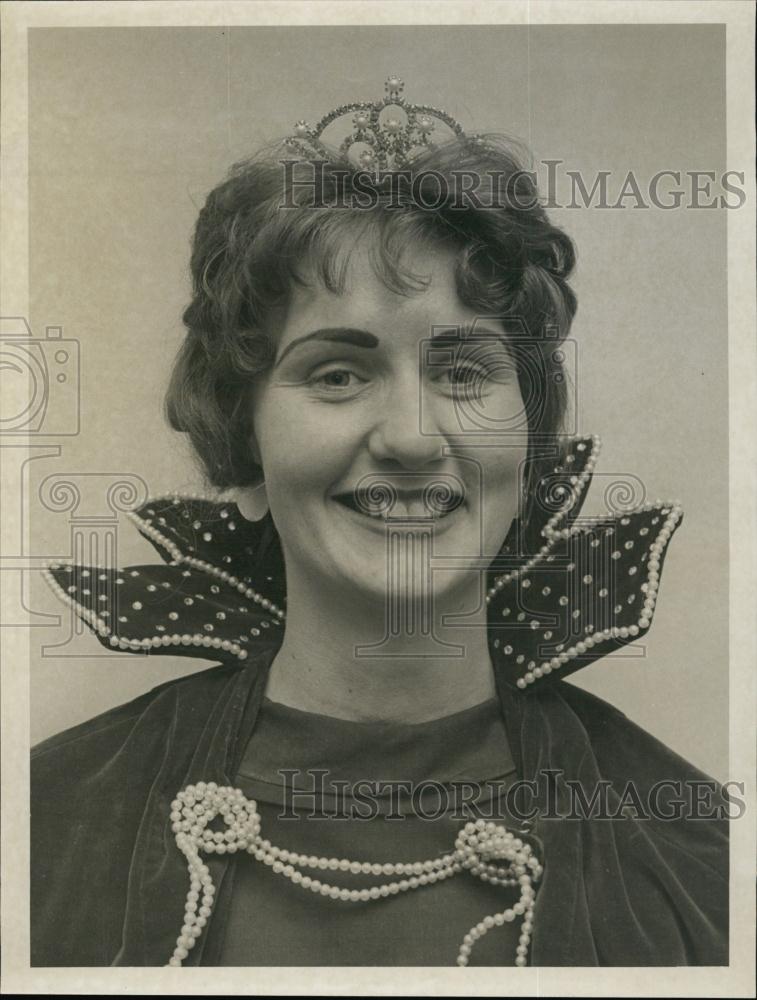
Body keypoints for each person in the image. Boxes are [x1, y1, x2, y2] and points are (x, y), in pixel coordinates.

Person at [32, 78, 728, 968]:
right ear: (243, 442)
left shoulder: (699, 853)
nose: (411, 436)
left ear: (526, 441)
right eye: (336, 375)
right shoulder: (44, 821)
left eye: (464, 372)